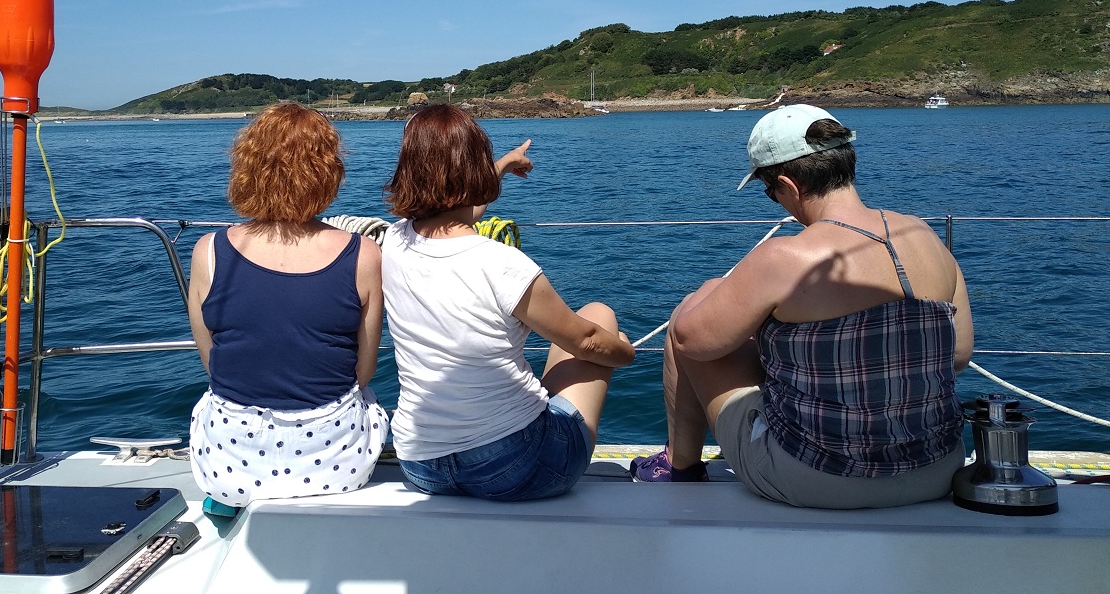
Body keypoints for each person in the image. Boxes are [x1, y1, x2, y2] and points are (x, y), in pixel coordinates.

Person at [631, 104, 973, 509]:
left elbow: (693, 342)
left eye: (769, 190)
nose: (774, 201)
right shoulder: (924, 234)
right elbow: (958, 355)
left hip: (817, 479)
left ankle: (679, 466)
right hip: (936, 470)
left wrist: (712, 291)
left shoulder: (783, 258)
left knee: (688, 317)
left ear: (788, 186)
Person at [382, 104, 636, 501]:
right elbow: (586, 342)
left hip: (422, 466)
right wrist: (626, 352)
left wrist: (500, 167)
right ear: (474, 171)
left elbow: (456, 213)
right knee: (599, 318)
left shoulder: (394, 242)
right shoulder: (504, 264)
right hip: (516, 468)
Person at [187, 103, 388, 507]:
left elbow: (214, 362)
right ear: (328, 172)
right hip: (337, 467)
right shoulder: (363, 254)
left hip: (228, 468)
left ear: (247, 167)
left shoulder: (208, 250)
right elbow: (362, 374)